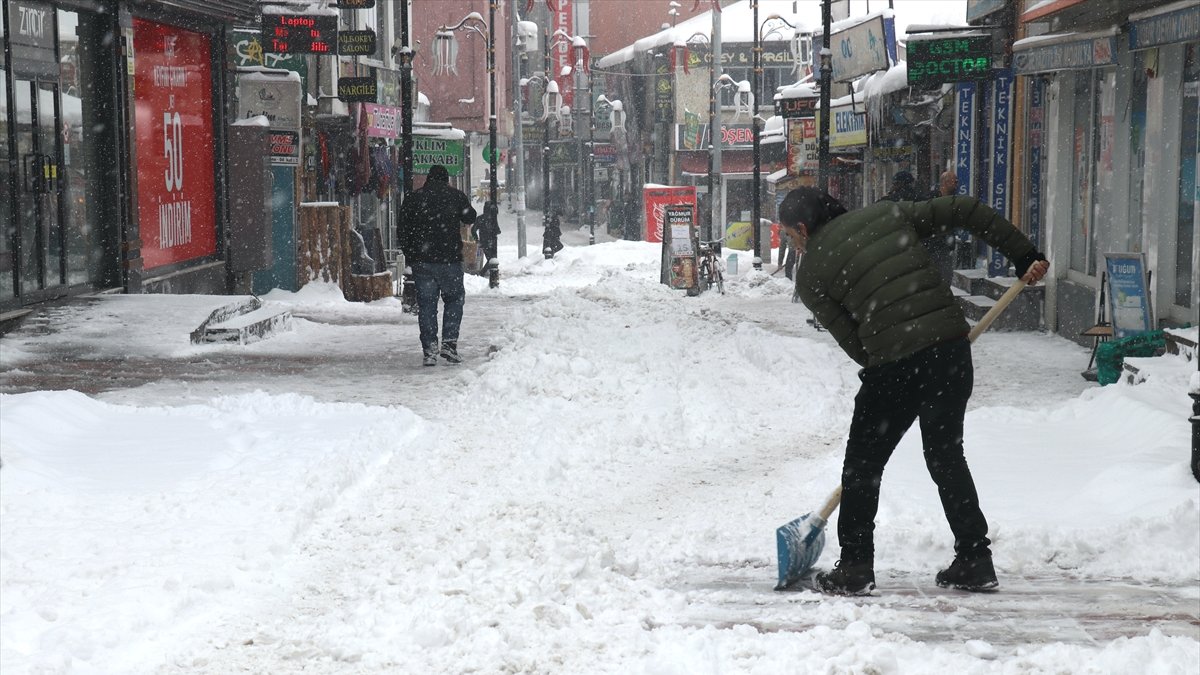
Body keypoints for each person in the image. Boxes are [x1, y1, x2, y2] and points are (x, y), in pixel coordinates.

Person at [777, 187, 1049, 596]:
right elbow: (963, 209)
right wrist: (1024, 255)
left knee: (862, 467)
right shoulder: (888, 215)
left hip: (893, 365)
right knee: (945, 455)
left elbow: (853, 341)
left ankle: (854, 566)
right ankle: (975, 557)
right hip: (950, 352)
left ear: (802, 228)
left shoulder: (811, 273)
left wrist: (889, 363)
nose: (793, 244)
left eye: (790, 237)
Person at [398, 165, 477, 366]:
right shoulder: (455, 196)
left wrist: (411, 254)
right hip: (449, 258)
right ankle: (449, 344)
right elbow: (470, 217)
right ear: (446, 179)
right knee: (454, 300)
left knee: (427, 305)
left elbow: (403, 229)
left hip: (423, 262)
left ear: (428, 179)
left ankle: (430, 349)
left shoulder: (414, 198)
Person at [473, 201, 501, 273]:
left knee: (491, 259)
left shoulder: (480, 218)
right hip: (492, 242)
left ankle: (491, 272)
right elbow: (497, 230)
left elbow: (473, 230)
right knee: (492, 259)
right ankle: (483, 273)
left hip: (484, 242)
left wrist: (477, 240)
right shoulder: (493, 219)